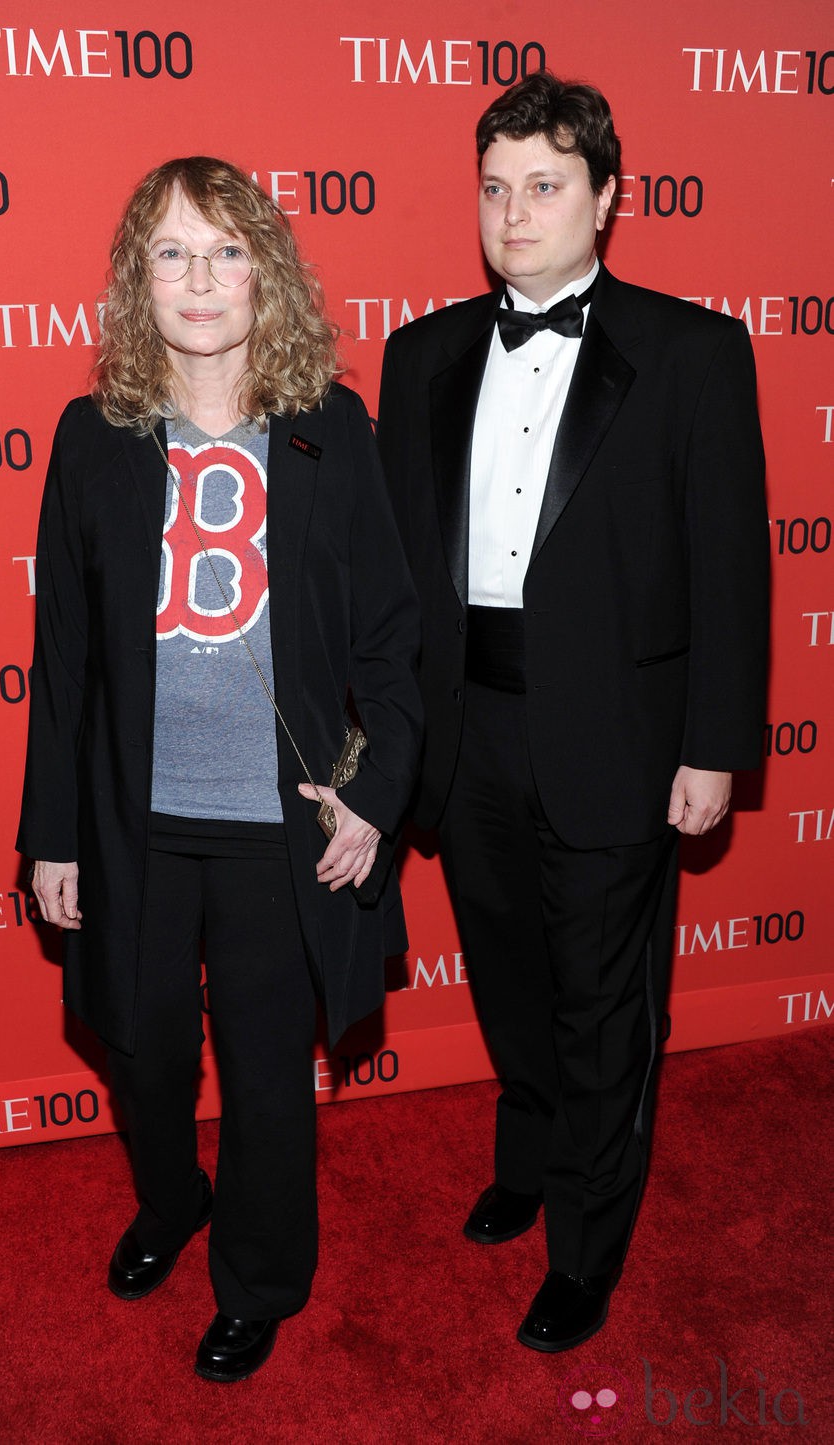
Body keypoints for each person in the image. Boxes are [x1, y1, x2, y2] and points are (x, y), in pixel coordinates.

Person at [376, 73, 768, 1352]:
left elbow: (729, 562)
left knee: (605, 1001)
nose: (514, 212)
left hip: (616, 735)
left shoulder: (692, 351)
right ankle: (531, 1152)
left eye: (543, 185)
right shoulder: (420, 353)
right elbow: (389, 577)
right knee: (509, 977)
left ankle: (588, 1242)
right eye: (494, 189)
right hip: (463, 727)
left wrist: (714, 745)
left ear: (606, 196)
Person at [17, 156, 421, 1382]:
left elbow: (391, 638)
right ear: (139, 282)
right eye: (173, 254)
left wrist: (377, 792)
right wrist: (53, 830)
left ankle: (257, 1273)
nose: (202, 279)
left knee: (262, 1070)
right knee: (138, 1046)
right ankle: (170, 1197)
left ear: (269, 272)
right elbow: (64, 658)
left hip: (271, 821)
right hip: (132, 818)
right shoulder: (93, 438)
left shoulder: (327, 425)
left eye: (228, 250)